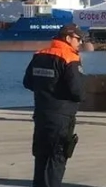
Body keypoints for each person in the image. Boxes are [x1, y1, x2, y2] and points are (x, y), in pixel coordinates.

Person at [23, 24, 85, 187]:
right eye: (78, 39)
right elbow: (77, 90)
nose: (80, 43)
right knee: (57, 157)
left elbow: (27, 82)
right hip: (62, 116)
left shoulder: (40, 54)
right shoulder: (70, 57)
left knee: (41, 157)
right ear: (68, 38)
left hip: (41, 114)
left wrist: (46, 90)